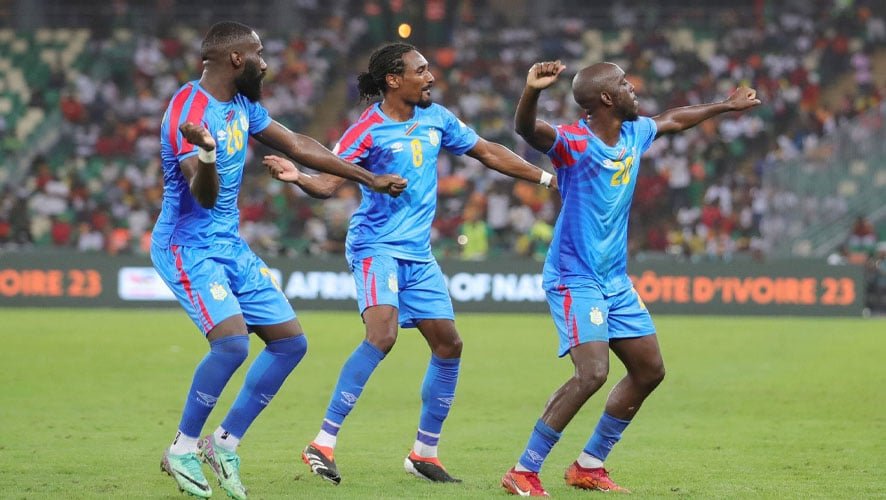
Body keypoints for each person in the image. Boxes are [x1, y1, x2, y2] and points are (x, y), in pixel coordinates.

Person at [263, 42, 557, 485]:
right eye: (421, 70)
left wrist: (547, 176)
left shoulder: (436, 118)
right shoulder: (366, 130)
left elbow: (486, 150)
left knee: (449, 345)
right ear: (394, 80)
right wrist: (299, 176)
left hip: (418, 253)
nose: (431, 76)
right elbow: (327, 182)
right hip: (374, 246)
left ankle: (425, 452)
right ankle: (322, 442)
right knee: (382, 335)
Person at [152, 21, 406, 500]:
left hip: (229, 245)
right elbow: (202, 198)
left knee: (290, 343)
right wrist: (205, 153)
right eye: (260, 54)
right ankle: (182, 447)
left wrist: (364, 178)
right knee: (230, 345)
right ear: (235, 60)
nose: (266, 63)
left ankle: (223, 443)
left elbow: (298, 145)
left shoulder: (243, 106)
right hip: (187, 246)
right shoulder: (188, 110)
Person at [500, 60, 761, 496]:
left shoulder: (634, 133)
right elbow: (528, 130)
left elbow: (673, 119)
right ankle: (524, 471)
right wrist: (531, 90)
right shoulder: (574, 144)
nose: (632, 87)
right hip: (574, 276)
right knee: (592, 373)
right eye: (623, 83)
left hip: (614, 280)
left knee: (649, 369)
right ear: (605, 97)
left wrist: (725, 106)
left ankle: (589, 465)